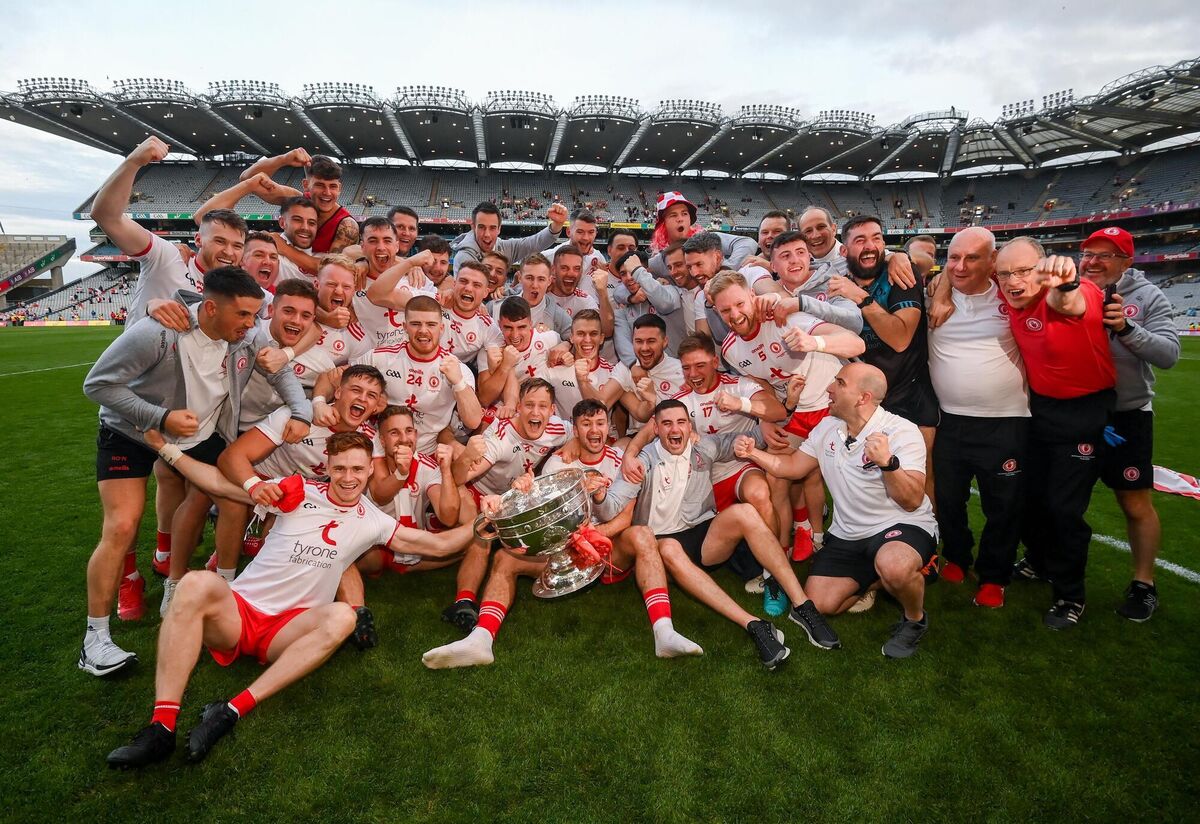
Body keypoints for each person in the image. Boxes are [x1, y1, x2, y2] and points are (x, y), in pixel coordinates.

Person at [104, 430, 471, 768]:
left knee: (344, 616)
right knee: (196, 583)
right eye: (340, 468)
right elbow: (221, 484)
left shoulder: (372, 521)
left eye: (358, 468)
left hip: (289, 631)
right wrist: (165, 448)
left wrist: (485, 524)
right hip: (239, 614)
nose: (348, 477)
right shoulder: (296, 492)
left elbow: (439, 545)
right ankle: (161, 728)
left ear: (368, 470)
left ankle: (230, 711)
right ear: (327, 466)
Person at [80, 267, 310, 675]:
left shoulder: (247, 336)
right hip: (133, 431)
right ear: (209, 308)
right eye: (243, 315)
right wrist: (160, 416)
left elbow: (280, 372)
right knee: (121, 525)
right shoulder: (158, 332)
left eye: (255, 315)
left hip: (201, 434)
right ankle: (95, 638)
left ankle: (191, 586)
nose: (252, 326)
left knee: (235, 499)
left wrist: (302, 412)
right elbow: (96, 384)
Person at [422, 400, 702, 668]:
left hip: (607, 548)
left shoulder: (622, 460)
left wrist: (591, 537)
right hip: (563, 549)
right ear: (574, 429)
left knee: (642, 534)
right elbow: (548, 519)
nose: (594, 430)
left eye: (601, 423)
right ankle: (480, 639)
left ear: (608, 427)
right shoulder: (558, 464)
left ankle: (664, 632)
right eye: (586, 424)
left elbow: (625, 516)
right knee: (505, 560)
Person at [595, 401, 840, 669]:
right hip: (660, 543)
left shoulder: (703, 447)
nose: (674, 429)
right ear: (655, 428)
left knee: (746, 512)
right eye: (666, 423)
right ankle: (754, 624)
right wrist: (599, 494)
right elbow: (611, 506)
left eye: (680, 422)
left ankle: (802, 606)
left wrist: (764, 425)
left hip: (700, 535)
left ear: (690, 427)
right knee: (668, 548)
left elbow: (742, 438)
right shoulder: (642, 462)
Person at [737, 363, 939, 658]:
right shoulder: (828, 428)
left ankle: (914, 619)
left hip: (901, 525)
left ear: (862, 398)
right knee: (819, 604)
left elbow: (910, 501)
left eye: (840, 383)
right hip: (848, 534)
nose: (829, 389)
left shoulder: (902, 431)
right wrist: (752, 453)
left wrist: (887, 463)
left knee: (894, 564)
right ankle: (886, 576)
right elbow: (793, 467)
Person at [996, 237, 1116, 629]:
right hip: (1038, 409)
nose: (1013, 281)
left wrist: (1064, 284)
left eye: (1023, 271)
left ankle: (1070, 594)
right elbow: (957, 269)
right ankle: (1039, 559)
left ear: (1043, 269)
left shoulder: (1069, 293)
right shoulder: (1009, 297)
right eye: (1004, 273)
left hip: (1084, 410)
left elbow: (1071, 302)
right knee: (1025, 495)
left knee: (1064, 508)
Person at [1078, 226, 1180, 621]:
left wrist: (1125, 328)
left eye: (1106, 254)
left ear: (1127, 261)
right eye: (1089, 252)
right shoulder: (1068, 288)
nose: (1093, 261)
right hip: (1076, 412)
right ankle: (1042, 558)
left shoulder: (1148, 297)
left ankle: (1144, 582)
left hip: (1125, 416)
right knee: (1060, 497)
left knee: (1134, 499)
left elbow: (1169, 354)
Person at [926, 227, 1028, 608]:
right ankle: (956, 556)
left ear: (993, 261)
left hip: (1007, 419)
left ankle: (994, 575)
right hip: (949, 420)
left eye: (972, 258)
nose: (960, 265)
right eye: (953, 257)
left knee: (1002, 505)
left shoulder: (1011, 295)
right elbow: (908, 259)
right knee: (949, 499)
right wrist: (940, 286)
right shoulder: (931, 292)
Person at [829, 216, 938, 440]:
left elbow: (900, 339)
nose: (870, 246)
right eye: (860, 240)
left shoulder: (897, 274)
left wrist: (861, 297)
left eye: (876, 239)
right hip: (861, 401)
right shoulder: (838, 284)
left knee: (916, 472)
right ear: (843, 251)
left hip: (909, 398)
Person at [355, 296, 482, 455]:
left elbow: (474, 421)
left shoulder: (457, 369)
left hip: (426, 455)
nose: (423, 330)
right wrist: (319, 402)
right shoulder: (379, 358)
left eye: (431, 324)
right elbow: (337, 380)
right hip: (379, 450)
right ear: (405, 327)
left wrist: (459, 383)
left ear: (441, 328)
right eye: (415, 324)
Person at [241, 151, 358, 255]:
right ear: (306, 185)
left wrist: (284, 248)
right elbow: (247, 180)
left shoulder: (347, 225)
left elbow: (332, 268)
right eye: (319, 185)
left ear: (340, 188)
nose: (327, 193)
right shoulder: (295, 200)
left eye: (333, 186)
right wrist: (283, 159)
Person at [646, 192, 756, 280]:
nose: (680, 219)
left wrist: (727, 268)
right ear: (663, 223)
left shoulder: (706, 239)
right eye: (673, 215)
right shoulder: (658, 261)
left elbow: (747, 242)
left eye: (685, 213)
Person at [451, 201, 567, 272]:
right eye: (481, 227)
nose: (487, 234)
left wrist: (557, 225)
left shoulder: (506, 248)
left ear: (499, 229)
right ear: (473, 227)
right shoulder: (463, 258)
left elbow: (534, 243)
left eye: (492, 228)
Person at [492, 253, 573, 337]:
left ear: (549, 281)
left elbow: (573, 342)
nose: (535, 285)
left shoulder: (559, 317)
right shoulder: (496, 306)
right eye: (529, 278)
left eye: (541, 279)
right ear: (520, 278)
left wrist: (563, 344)